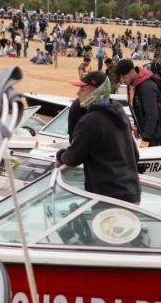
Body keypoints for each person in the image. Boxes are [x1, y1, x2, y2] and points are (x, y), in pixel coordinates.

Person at [54, 71, 140, 204]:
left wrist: (60, 156)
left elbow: (73, 158)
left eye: (82, 90)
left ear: (96, 91)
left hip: (107, 197)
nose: (78, 94)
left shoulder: (90, 121)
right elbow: (135, 154)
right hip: (131, 192)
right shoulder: (118, 111)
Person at [116, 59, 161, 147]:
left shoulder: (147, 87)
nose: (122, 80)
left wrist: (146, 138)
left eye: (123, 77)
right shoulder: (133, 84)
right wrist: (136, 125)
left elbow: (152, 115)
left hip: (156, 131)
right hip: (148, 128)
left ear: (132, 72)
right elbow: (135, 107)